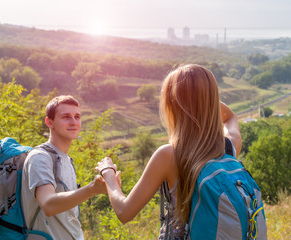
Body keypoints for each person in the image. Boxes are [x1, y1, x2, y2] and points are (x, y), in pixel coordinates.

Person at [96, 64, 242, 239]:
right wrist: (205, 100)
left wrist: (108, 174)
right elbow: (231, 117)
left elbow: (124, 212)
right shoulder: (228, 147)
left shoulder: (168, 156)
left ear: (172, 104)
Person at [21, 95, 107, 239]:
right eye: (66, 117)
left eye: (77, 117)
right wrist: (92, 189)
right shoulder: (40, 158)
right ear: (49, 122)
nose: (73, 122)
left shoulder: (66, 159)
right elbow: (48, 205)